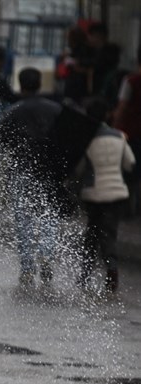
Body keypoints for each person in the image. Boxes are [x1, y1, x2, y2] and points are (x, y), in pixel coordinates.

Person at [0, 68, 65, 288]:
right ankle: (46, 253)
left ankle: (27, 267)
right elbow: (68, 137)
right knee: (49, 215)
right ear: (39, 84)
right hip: (50, 171)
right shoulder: (56, 109)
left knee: (23, 220)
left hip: (22, 170)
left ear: (21, 85)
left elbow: (1, 140)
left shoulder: (13, 111)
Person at [75, 97, 136, 293]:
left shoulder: (86, 138)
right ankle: (112, 273)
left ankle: (85, 275)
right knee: (109, 234)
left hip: (94, 194)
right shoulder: (119, 136)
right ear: (107, 115)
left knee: (91, 235)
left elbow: (79, 170)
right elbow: (130, 163)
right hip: (116, 194)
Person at [113, 45, 141, 216]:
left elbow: (122, 107)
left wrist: (114, 128)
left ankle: (128, 207)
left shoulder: (131, 81)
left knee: (128, 170)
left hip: (130, 132)